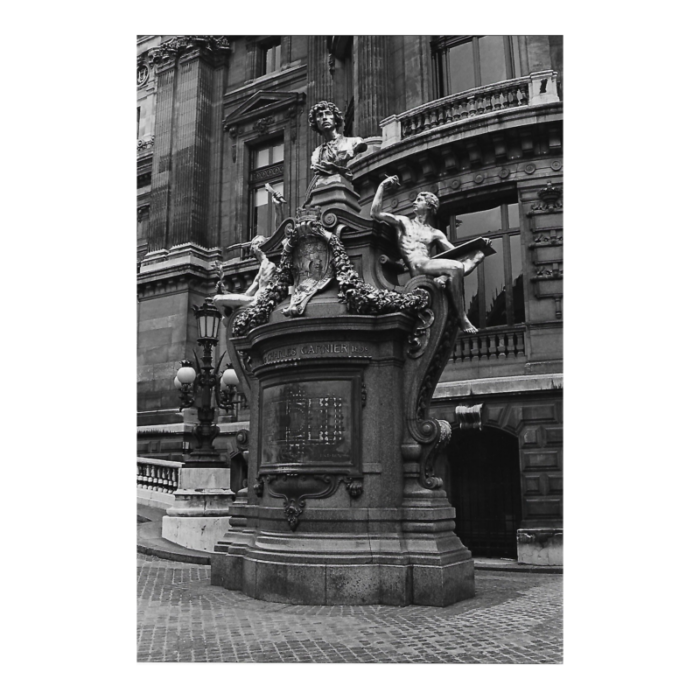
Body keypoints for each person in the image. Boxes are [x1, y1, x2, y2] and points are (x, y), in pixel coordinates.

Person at [371, 176, 487, 334]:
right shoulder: (404, 222)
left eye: (419, 200)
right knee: (456, 267)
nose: (414, 202)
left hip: (428, 264)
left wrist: (479, 246)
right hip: (417, 266)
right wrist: (383, 185)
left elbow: (456, 253)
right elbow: (375, 212)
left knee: (478, 254)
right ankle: (462, 318)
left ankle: (445, 277)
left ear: (429, 205)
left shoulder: (435, 233)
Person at [212, 235, 278, 314]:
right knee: (224, 318)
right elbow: (247, 294)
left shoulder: (269, 265)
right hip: (253, 300)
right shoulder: (261, 269)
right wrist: (225, 292)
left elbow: (262, 292)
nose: (259, 246)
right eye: (257, 243)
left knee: (217, 299)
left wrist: (262, 254)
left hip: (258, 301)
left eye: (261, 243)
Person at [309, 101, 367, 179]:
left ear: (335, 119)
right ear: (315, 123)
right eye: (320, 115)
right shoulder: (317, 154)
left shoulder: (355, 142)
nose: (324, 117)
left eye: (328, 113)